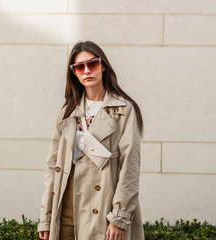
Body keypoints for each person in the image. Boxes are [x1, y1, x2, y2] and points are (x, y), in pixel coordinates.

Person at [38, 40, 144, 240]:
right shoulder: (67, 113)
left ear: (103, 66)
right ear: (74, 73)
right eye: (79, 67)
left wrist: (119, 217)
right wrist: (46, 216)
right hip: (65, 205)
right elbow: (53, 167)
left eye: (92, 63)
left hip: (104, 206)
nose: (86, 70)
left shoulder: (123, 110)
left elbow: (130, 166)